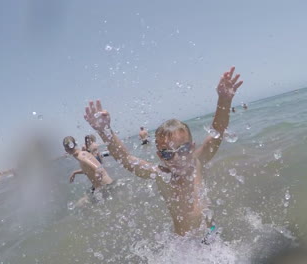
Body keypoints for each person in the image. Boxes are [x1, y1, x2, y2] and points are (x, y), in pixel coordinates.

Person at [84, 67, 243, 239]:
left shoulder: (197, 161)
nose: (176, 158)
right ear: (160, 156)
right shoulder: (161, 175)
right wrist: (105, 131)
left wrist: (224, 101)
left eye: (182, 150)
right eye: (168, 154)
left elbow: (217, 132)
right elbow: (126, 159)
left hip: (210, 233)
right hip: (185, 243)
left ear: (191, 147)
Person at [63, 136, 113, 202]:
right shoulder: (82, 154)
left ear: (66, 150)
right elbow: (88, 169)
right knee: (82, 202)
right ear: (75, 144)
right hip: (106, 185)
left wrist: (97, 177)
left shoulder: (81, 156)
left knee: (82, 204)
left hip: (105, 187)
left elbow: (97, 169)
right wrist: (75, 173)